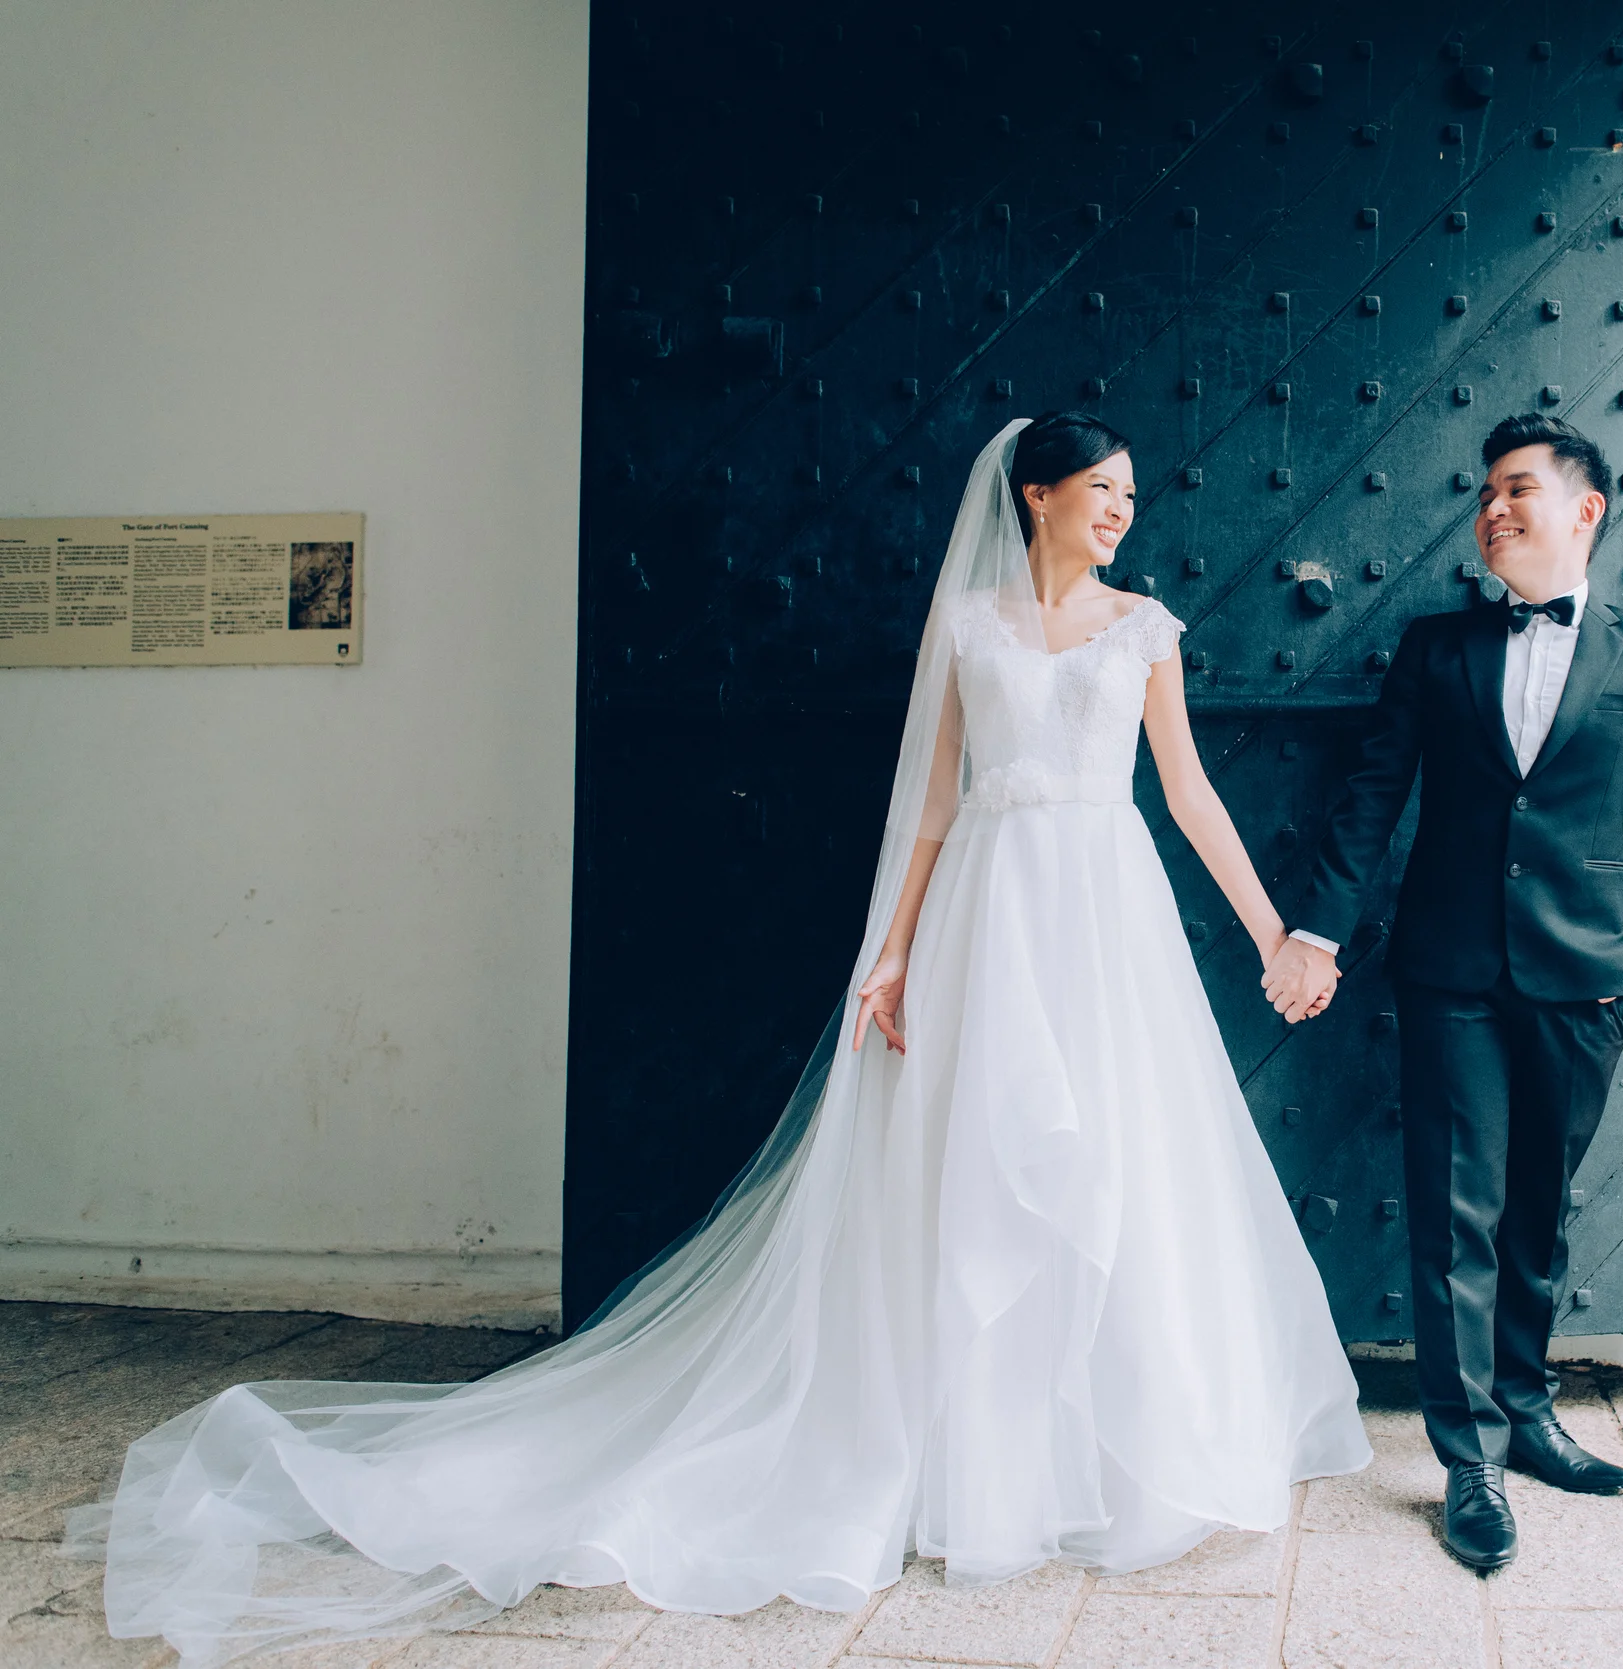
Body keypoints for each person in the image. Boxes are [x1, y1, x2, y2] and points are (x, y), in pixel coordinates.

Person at [72, 414, 1369, 1666]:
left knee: (1115, 1156)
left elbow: (1187, 792)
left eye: (1130, 495)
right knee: (966, 1167)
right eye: (1103, 491)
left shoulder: (1143, 629)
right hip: (986, 913)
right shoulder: (969, 625)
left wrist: (1273, 934)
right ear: (1038, 495)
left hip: (1101, 911)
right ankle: (969, 1460)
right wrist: (893, 951)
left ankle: (1108, 1453)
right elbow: (932, 802)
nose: (1123, 511)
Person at [1262, 411, 1623, 1574]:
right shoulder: (1435, 649)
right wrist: (1316, 931)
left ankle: (1530, 1409)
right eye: (1484, 494)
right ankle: (1470, 1463)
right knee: (1457, 1213)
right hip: (1449, 970)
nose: (1492, 510)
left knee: (1536, 1212)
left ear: (1583, 509)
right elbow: (1370, 798)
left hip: (1587, 980)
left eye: (1516, 489)